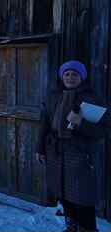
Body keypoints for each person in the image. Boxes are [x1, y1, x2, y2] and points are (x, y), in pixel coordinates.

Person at [35, 60, 109, 232]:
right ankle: (72, 227)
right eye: (67, 74)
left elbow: (104, 131)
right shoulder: (54, 95)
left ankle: (87, 229)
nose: (70, 77)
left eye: (74, 74)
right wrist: (40, 148)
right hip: (56, 153)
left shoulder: (92, 98)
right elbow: (45, 122)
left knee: (81, 197)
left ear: (81, 77)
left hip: (80, 155)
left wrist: (80, 123)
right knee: (64, 194)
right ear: (62, 76)